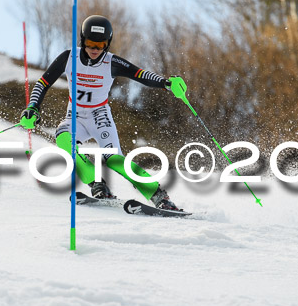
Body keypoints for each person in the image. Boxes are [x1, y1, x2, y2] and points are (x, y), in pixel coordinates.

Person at [20, 15, 186, 211]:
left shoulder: (111, 62)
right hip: (75, 117)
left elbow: (140, 74)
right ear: (83, 40)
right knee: (64, 140)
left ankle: (159, 196)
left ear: (107, 44)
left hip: (100, 117)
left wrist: (165, 83)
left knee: (114, 160)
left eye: (101, 45)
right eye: (90, 43)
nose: (95, 50)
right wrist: (32, 108)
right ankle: (98, 185)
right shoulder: (69, 57)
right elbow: (43, 83)